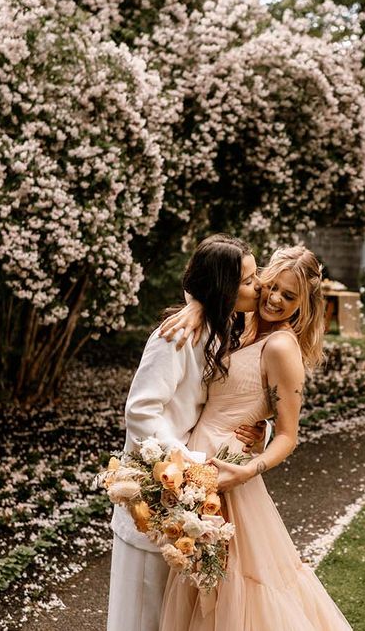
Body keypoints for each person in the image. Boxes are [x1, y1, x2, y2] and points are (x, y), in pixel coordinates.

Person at [158, 245, 352, 630]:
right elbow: (208, 280)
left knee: (233, 586)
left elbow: (288, 435)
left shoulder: (280, 346)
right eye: (270, 287)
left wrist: (247, 469)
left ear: (304, 305)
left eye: (289, 296)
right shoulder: (240, 323)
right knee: (199, 579)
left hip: (230, 474)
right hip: (198, 463)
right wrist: (196, 307)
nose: (275, 299)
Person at [107, 234, 267, 631]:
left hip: (191, 499)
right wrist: (189, 463)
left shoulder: (226, 326)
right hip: (154, 495)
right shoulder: (175, 336)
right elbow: (141, 412)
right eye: (248, 281)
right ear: (224, 289)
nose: (259, 285)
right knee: (141, 615)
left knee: (173, 614)